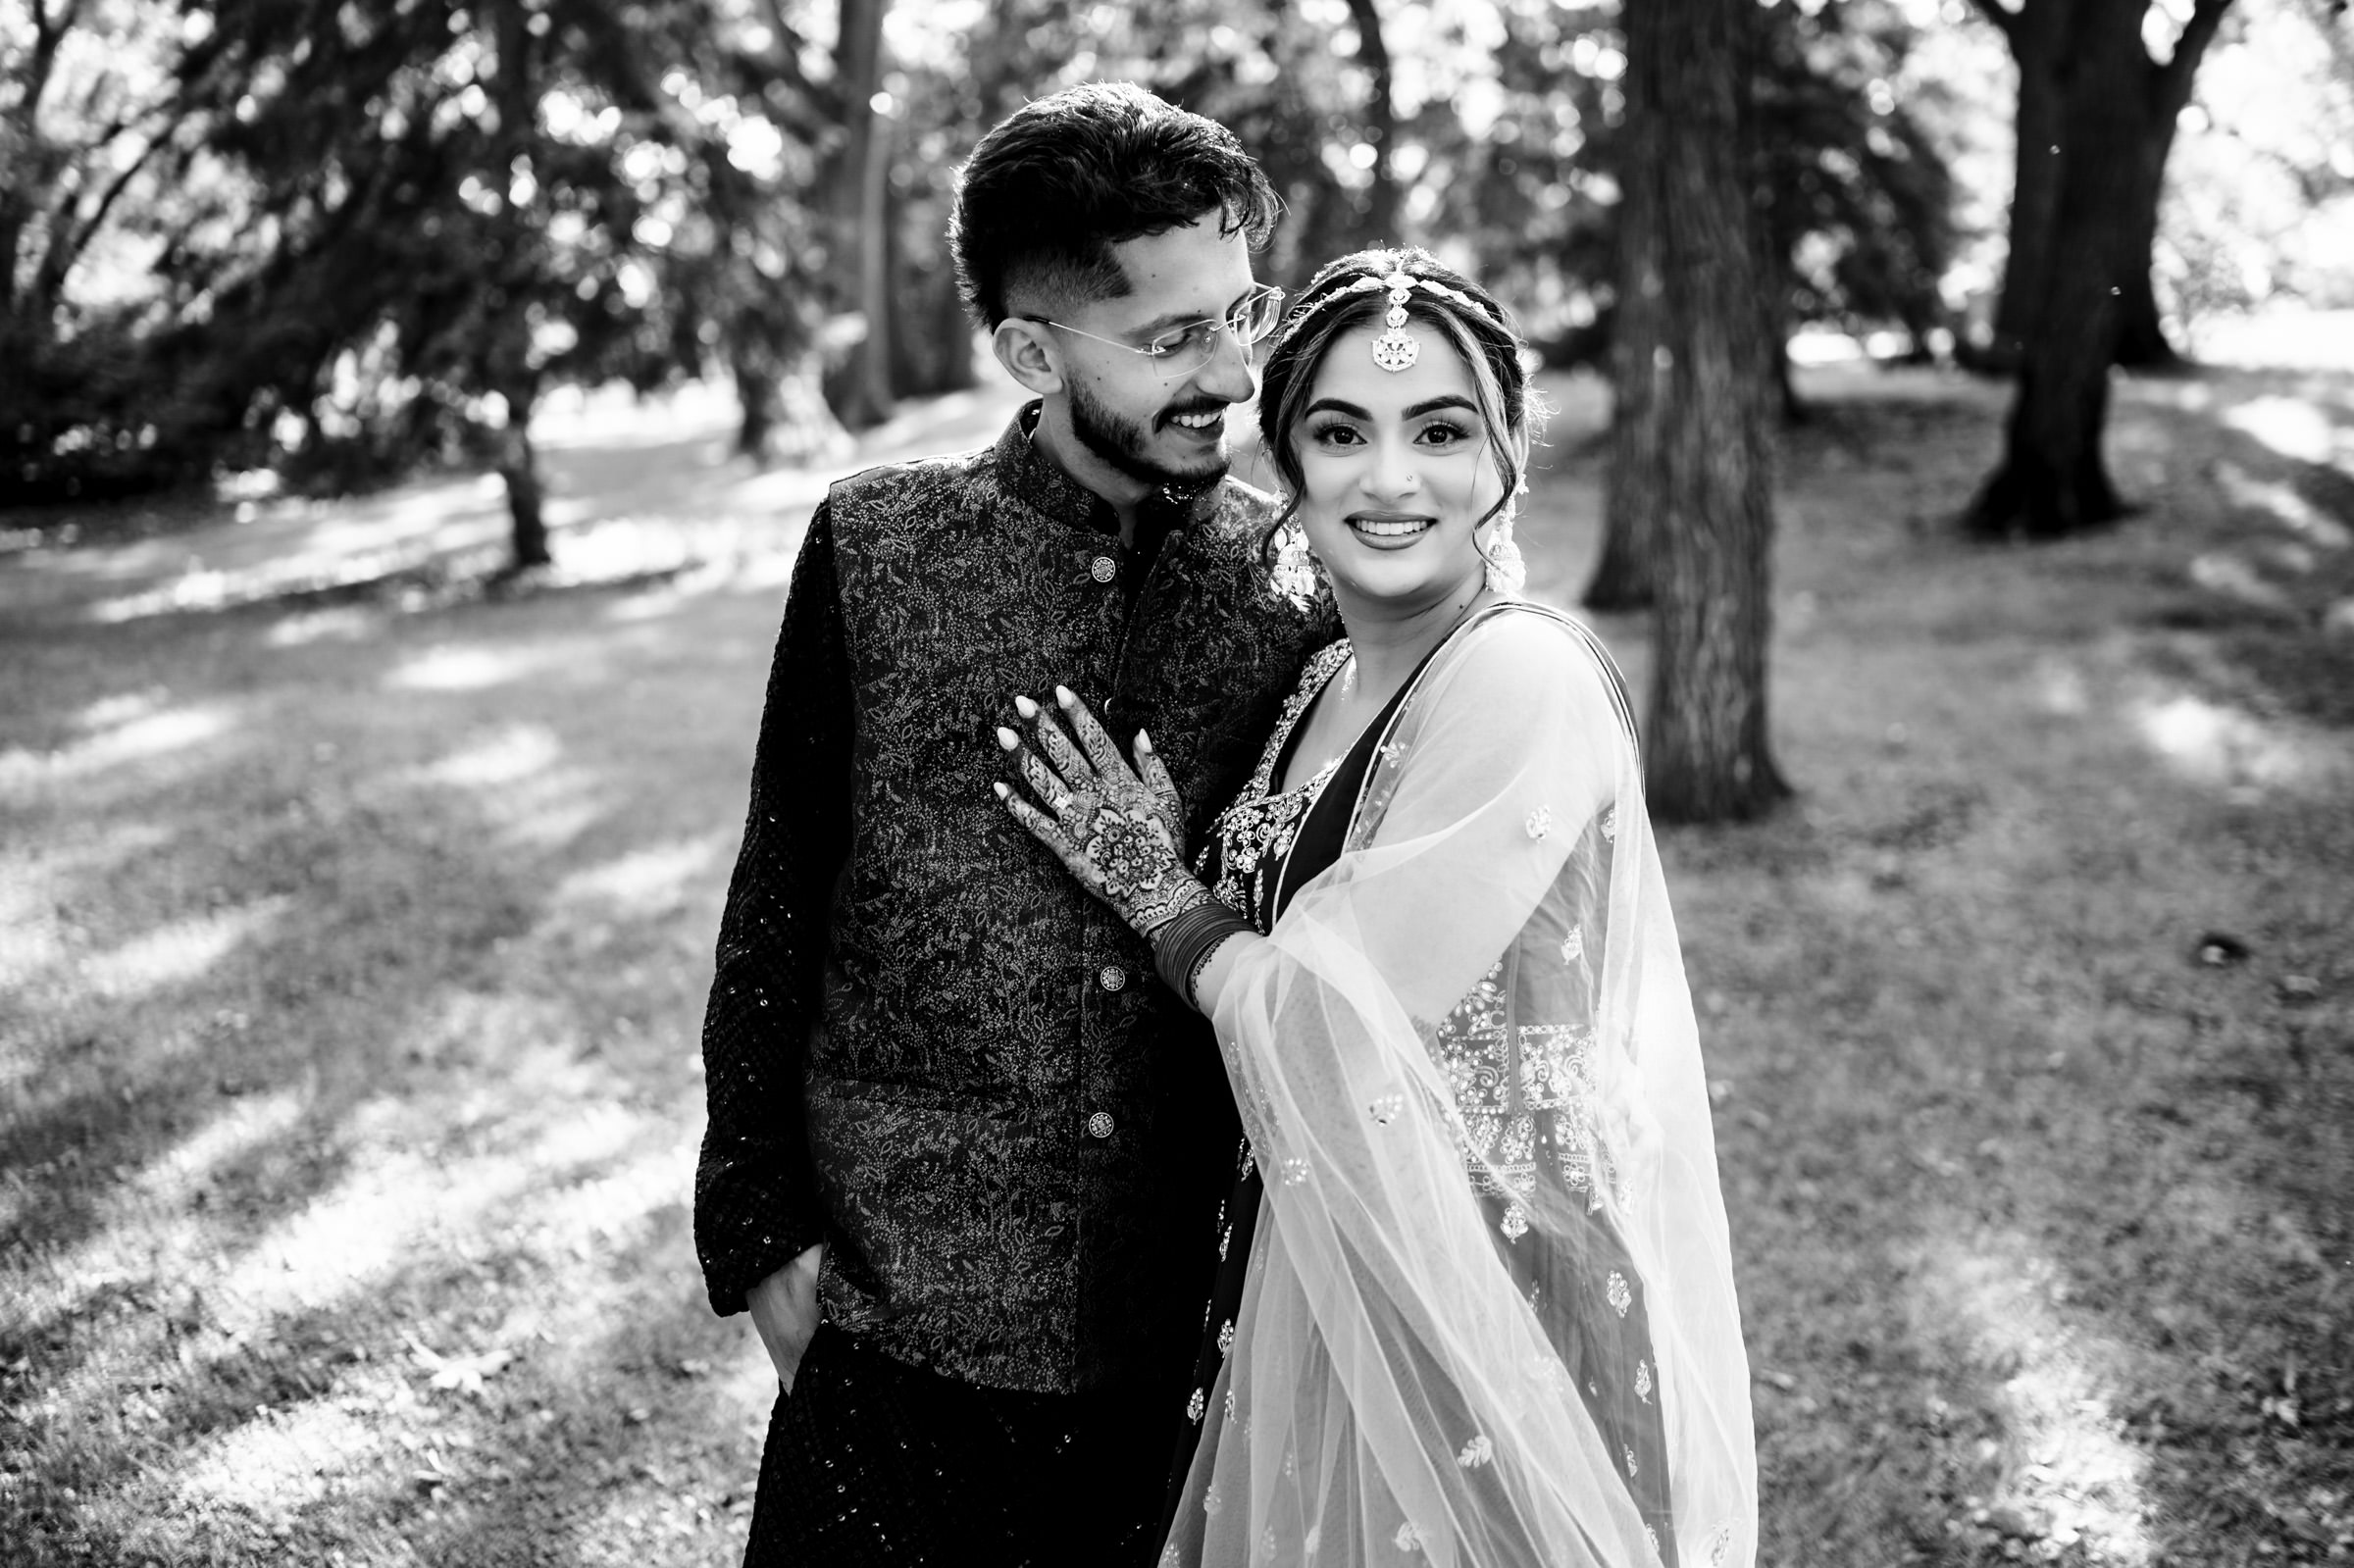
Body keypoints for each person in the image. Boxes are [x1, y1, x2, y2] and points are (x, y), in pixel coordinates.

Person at [998, 249, 1759, 1567]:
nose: (1391, 479)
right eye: (1342, 433)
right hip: (1320, 1265)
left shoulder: (1520, 679)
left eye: (1441, 431)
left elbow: (1331, 1036)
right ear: (1285, 460)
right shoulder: (1322, 684)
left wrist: (1160, 897)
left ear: (1508, 454)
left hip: (1490, 1302)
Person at [693, 83, 1337, 1567]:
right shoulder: (877, 545)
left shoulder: (1290, 587)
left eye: (1241, 314)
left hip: (1181, 1358)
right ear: (1032, 352)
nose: (1230, 372)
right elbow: (777, 893)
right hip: (894, 1333)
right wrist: (757, 1232)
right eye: (1173, 339)